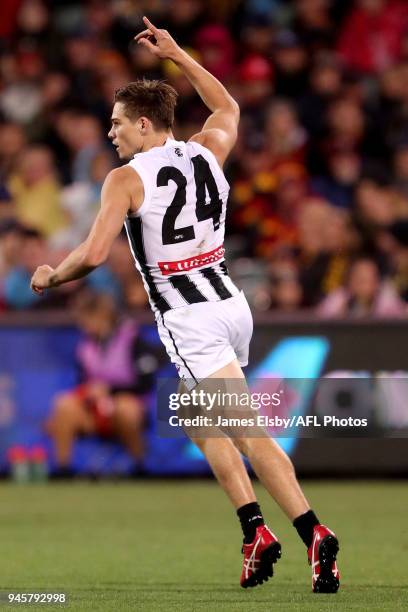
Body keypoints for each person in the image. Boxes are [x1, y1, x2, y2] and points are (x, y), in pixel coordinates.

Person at [30, 17, 340, 593]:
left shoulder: (125, 178)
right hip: (230, 300)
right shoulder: (205, 151)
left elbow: (95, 255)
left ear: (144, 124)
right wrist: (178, 55)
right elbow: (228, 108)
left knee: (245, 431)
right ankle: (254, 531)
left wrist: (51, 275)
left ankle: (313, 532)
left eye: (119, 123)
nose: (112, 133)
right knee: (200, 419)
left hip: (190, 316)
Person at [46, 290, 160, 476]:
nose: (83, 325)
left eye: (86, 319)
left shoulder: (133, 339)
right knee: (64, 405)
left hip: (127, 407)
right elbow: (81, 381)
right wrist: (90, 393)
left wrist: (110, 390)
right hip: (95, 409)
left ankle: (140, 466)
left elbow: (146, 383)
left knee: (125, 408)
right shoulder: (85, 345)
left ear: (101, 315)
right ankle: (63, 469)